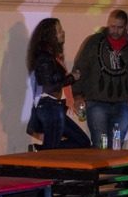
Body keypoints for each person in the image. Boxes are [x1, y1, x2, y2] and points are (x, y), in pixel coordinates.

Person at [72, 9, 128, 146]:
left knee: (116, 144)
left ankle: (113, 168)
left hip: (122, 105)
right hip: (97, 103)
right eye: (112, 26)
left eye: (119, 27)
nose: (115, 31)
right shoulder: (93, 43)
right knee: (100, 144)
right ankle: (103, 168)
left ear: (126, 27)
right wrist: (78, 95)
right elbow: (80, 68)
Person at [26, 18, 92, 149]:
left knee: (82, 141)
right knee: (53, 149)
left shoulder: (52, 56)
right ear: (50, 35)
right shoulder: (44, 57)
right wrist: (72, 78)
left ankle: (38, 150)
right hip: (49, 107)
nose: (63, 33)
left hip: (55, 108)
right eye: (59, 30)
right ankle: (40, 154)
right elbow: (50, 85)